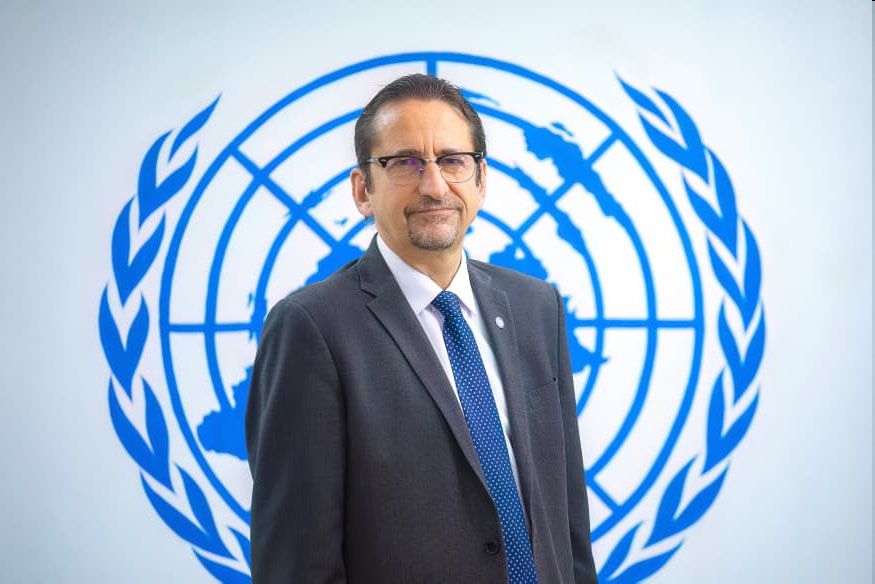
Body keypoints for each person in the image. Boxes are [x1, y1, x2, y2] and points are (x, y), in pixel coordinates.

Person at [246, 74, 598, 583]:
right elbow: (297, 567)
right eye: (405, 163)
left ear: (481, 180)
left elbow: (568, 527)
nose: (434, 186)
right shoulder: (311, 329)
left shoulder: (536, 307)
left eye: (452, 161)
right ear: (363, 190)